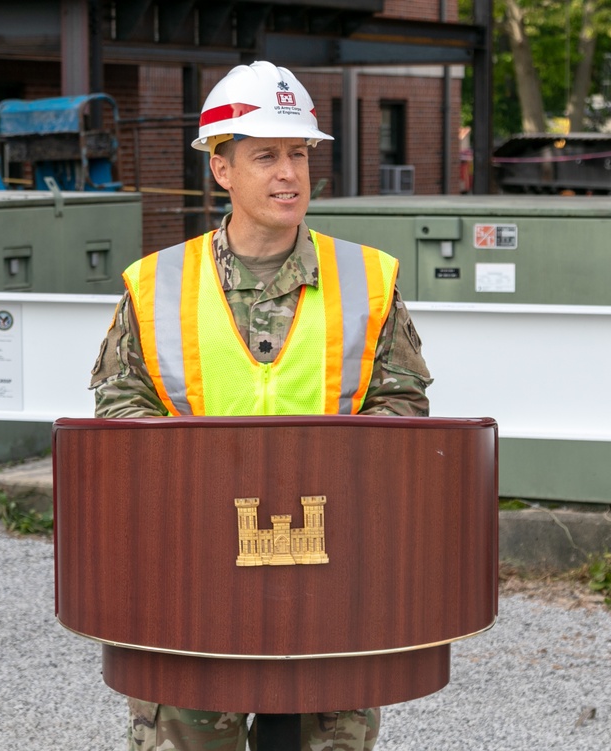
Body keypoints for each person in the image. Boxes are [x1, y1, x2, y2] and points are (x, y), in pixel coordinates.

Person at [89, 60, 432, 751]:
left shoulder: (369, 280)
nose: (289, 173)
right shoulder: (157, 286)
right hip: (188, 576)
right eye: (266, 155)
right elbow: (120, 412)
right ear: (222, 169)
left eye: (299, 154)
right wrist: (205, 481)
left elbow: (402, 410)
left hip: (330, 575)